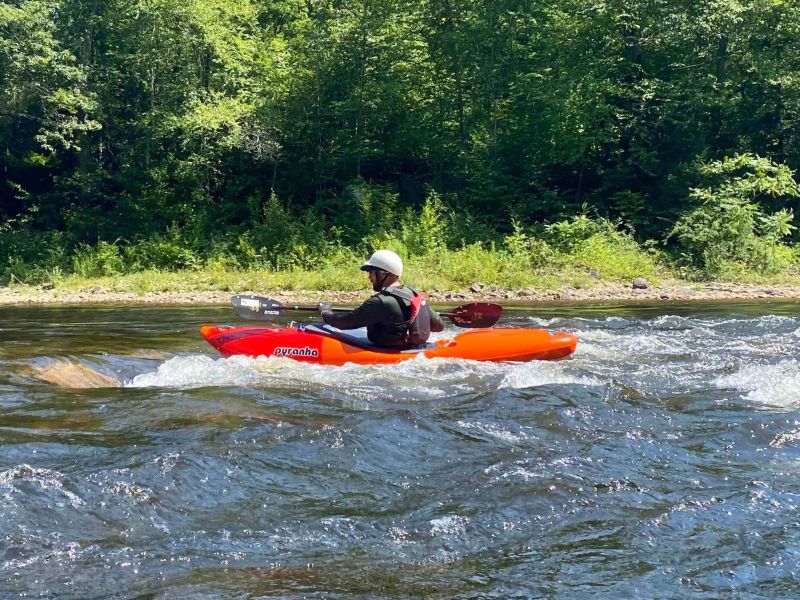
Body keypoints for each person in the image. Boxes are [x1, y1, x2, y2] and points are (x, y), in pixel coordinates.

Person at [318, 249, 444, 348]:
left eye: (371, 273)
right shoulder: (414, 295)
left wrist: (325, 312)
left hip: (385, 353)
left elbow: (344, 322)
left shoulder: (380, 302)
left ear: (383, 274)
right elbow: (438, 326)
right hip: (410, 350)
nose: (369, 278)